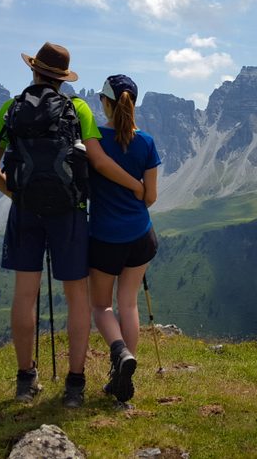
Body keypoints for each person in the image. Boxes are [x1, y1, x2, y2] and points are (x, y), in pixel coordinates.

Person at [0, 42, 144, 408]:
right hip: (69, 212)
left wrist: (18, 194)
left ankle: (26, 380)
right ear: (62, 78)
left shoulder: (11, 109)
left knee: (25, 294)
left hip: (25, 210)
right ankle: (75, 385)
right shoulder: (78, 108)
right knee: (78, 297)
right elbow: (98, 161)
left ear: (34, 71)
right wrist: (136, 186)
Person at [88, 74, 160, 404]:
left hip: (104, 236)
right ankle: (123, 374)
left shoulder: (93, 140)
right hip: (140, 235)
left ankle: (120, 354)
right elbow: (151, 197)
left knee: (102, 306)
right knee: (128, 302)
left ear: (104, 102)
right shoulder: (146, 142)